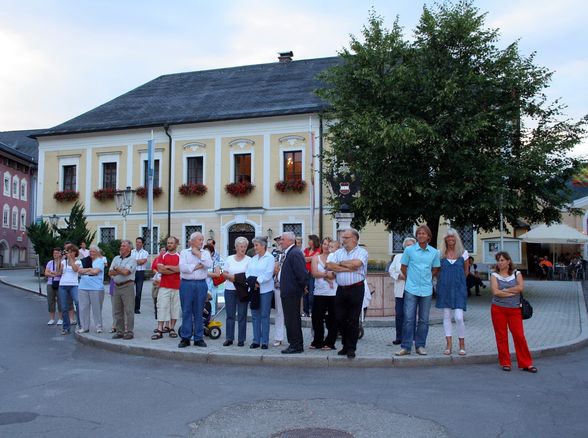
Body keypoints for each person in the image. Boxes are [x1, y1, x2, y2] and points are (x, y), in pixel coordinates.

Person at [395, 224, 441, 356]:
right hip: (411, 288)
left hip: (426, 289)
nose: (421, 235)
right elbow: (403, 267)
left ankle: (420, 346)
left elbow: (436, 268)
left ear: (428, 237)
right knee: (409, 318)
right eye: (419, 233)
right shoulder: (409, 250)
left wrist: (429, 277)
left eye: (423, 233)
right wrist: (409, 278)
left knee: (424, 319)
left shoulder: (434, 252)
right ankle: (406, 347)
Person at [490, 251, 537, 373]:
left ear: (508, 261)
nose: (500, 263)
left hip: (514, 309)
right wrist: (511, 292)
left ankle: (526, 363)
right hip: (498, 309)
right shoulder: (494, 275)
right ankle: (505, 362)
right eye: (498, 260)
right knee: (501, 336)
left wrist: (505, 290)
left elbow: (520, 288)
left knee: (519, 336)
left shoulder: (517, 273)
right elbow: (495, 292)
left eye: (502, 260)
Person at [326, 228, 369, 359]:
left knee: (353, 319)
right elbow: (329, 266)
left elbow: (357, 264)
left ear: (354, 239)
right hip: (341, 289)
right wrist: (346, 267)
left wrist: (340, 265)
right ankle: (345, 344)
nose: (342, 240)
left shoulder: (362, 252)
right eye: (342, 238)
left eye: (345, 238)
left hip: (356, 289)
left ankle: (350, 348)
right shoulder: (339, 252)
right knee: (340, 318)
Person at [436, 229, 469, 356]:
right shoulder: (440, 254)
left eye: (453, 237)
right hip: (444, 288)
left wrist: (458, 282)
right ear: (445, 239)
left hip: (459, 288)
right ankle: (448, 345)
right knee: (446, 316)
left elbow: (466, 271)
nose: (450, 239)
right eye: (448, 237)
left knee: (459, 317)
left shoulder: (463, 253)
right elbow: (437, 271)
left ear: (456, 238)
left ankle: (462, 344)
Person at [178, 232, 212, 348]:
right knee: (186, 311)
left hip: (201, 284)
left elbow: (209, 264)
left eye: (202, 239)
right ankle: (185, 338)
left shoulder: (205, 253)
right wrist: (197, 266)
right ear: (191, 241)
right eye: (199, 240)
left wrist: (198, 254)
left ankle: (198, 338)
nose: (201, 242)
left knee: (199, 311)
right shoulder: (184, 252)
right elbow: (183, 268)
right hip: (186, 284)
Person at [278, 231, 308, 354]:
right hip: (288, 291)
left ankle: (295, 345)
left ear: (290, 240)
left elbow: (301, 274)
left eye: (282, 239)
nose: (280, 241)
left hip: (292, 292)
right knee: (291, 320)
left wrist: (299, 288)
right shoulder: (290, 252)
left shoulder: (294, 253)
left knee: (292, 320)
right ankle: (296, 344)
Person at [245, 236, 275, 349]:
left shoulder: (270, 258)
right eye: (254, 245)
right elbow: (247, 273)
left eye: (256, 245)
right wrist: (253, 282)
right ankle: (256, 340)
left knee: (264, 315)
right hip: (254, 290)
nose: (255, 247)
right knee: (255, 315)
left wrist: (257, 281)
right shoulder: (253, 258)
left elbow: (268, 274)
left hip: (265, 290)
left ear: (263, 246)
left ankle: (265, 342)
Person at [221, 236, 251, 347]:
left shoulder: (249, 260)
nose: (243, 249)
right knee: (230, 315)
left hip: (242, 291)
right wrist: (237, 278)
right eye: (240, 246)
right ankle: (229, 338)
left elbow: (247, 277)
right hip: (229, 290)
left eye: (244, 246)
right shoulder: (229, 259)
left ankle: (241, 339)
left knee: (242, 315)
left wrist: (232, 277)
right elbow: (224, 274)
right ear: (236, 247)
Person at [310, 238, 338, 350]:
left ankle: (330, 342)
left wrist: (326, 274)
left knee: (333, 319)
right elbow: (314, 273)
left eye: (329, 244)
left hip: (333, 293)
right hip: (319, 292)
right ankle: (317, 341)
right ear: (321, 245)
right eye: (324, 244)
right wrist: (327, 275)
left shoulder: (335, 258)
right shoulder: (315, 258)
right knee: (316, 317)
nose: (326, 246)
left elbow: (337, 273)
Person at [152, 236, 181, 340]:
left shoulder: (180, 256)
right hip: (164, 286)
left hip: (177, 287)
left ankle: (172, 328)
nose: (169, 245)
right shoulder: (163, 255)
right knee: (162, 307)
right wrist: (174, 270)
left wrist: (167, 267)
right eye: (168, 243)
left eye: (171, 243)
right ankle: (160, 329)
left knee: (175, 308)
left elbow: (181, 268)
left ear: (176, 244)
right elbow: (160, 269)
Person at [388, 237, 416, 345]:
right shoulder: (398, 257)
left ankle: (411, 337)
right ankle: (399, 337)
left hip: (413, 290)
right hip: (400, 289)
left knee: (411, 315)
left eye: (411, 245)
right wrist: (398, 275)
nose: (408, 247)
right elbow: (391, 270)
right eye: (407, 245)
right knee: (399, 314)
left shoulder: (417, 257)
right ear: (404, 247)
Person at [109, 239, 137, 340]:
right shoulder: (116, 258)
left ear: (129, 249)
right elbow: (110, 272)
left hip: (127, 286)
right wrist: (120, 269)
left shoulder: (132, 260)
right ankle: (120, 331)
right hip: (116, 286)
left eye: (124, 246)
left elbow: (126, 273)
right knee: (117, 310)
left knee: (129, 310)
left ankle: (129, 332)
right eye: (121, 245)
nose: (121, 247)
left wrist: (117, 269)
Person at [77, 245, 106, 333]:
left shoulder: (100, 261)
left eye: (93, 251)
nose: (91, 253)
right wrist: (90, 269)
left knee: (96, 308)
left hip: (96, 288)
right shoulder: (84, 260)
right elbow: (79, 271)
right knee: (83, 308)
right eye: (90, 251)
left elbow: (95, 272)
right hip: (83, 287)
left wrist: (86, 270)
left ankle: (98, 326)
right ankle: (84, 327)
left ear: (97, 252)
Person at [58, 244, 82, 335]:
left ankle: (80, 324)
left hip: (74, 285)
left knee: (78, 302)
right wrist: (59, 260)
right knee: (64, 307)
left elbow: (75, 269)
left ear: (75, 253)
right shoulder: (64, 261)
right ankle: (66, 327)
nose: (70, 253)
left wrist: (70, 259)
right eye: (68, 251)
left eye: (71, 251)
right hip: (63, 285)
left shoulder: (78, 261)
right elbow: (60, 272)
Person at [271, 237, 285, 347]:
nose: (280, 243)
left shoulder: (293, 252)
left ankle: (293, 337)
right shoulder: (274, 254)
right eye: (278, 242)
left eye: (281, 241)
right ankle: (278, 337)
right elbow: (272, 269)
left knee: (291, 314)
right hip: (277, 286)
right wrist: (274, 270)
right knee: (279, 313)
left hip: (289, 287)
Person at [302, 234, 320, 317]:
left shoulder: (319, 250)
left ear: (314, 241)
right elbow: (303, 259)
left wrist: (308, 258)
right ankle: (306, 311)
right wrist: (311, 258)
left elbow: (311, 259)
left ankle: (312, 310)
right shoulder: (306, 250)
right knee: (305, 293)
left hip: (313, 273)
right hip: (305, 273)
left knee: (311, 294)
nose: (308, 241)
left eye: (310, 240)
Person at [44, 247, 63, 325]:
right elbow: (46, 273)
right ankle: (51, 319)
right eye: (54, 253)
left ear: (60, 254)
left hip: (59, 283)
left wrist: (51, 273)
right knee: (50, 301)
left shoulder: (62, 263)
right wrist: (54, 273)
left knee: (60, 301)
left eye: (57, 253)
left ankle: (60, 318)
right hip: (50, 283)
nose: (55, 255)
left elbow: (60, 273)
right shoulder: (50, 262)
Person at [132, 237, 149, 314]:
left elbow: (142, 261)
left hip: (140, 273)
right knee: (130, 291)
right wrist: (137, 261)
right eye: (137, 242)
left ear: (142, 244)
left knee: (138, 291)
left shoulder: (145, 252)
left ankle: (136, 308)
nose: (137, 243)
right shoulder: (132, 251)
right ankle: (130, 307)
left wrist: (134, 261)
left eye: (139, 242)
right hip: (132, 272)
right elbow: (130, 262)